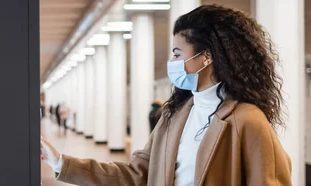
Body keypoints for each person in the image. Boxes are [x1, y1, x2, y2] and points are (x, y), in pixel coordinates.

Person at [41, 4, 291, 185]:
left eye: (177, 53)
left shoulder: (247, 120)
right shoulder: (174, 115)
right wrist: (61, 163)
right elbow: (136, 175)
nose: (172, 61)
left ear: (206, 57)